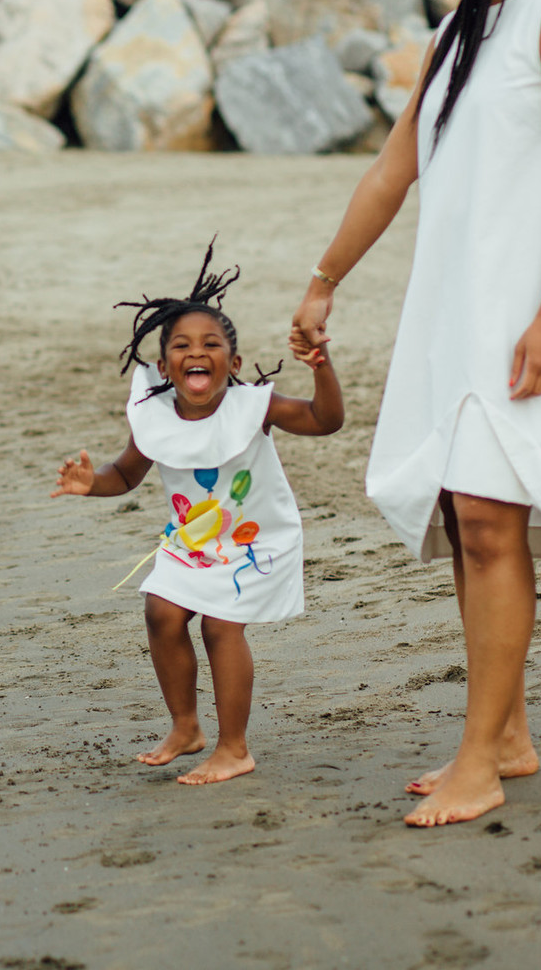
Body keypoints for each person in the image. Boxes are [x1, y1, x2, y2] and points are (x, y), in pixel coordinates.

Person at [290, 0, 541, 827]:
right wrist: (324, 282)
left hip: (528, 315)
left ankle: (478, 761)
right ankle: (510, 733)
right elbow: (393, 170)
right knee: (466, 524)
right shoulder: (459, 33)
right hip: (454, 316)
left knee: (488, 524)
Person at [51, 244, 344, 785]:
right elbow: (127, 474)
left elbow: (326, 422)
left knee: (219, 627)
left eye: (212, 344)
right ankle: (186, 727)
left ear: (232, 364)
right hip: (191, 541)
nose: (196, 352)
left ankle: (234, 748)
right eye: (182, 345)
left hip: (255, 541)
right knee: (161, 613)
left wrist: (321, 370)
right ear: (165, 366)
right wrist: (92, 485)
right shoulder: (156, 417)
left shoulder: (254, 406)